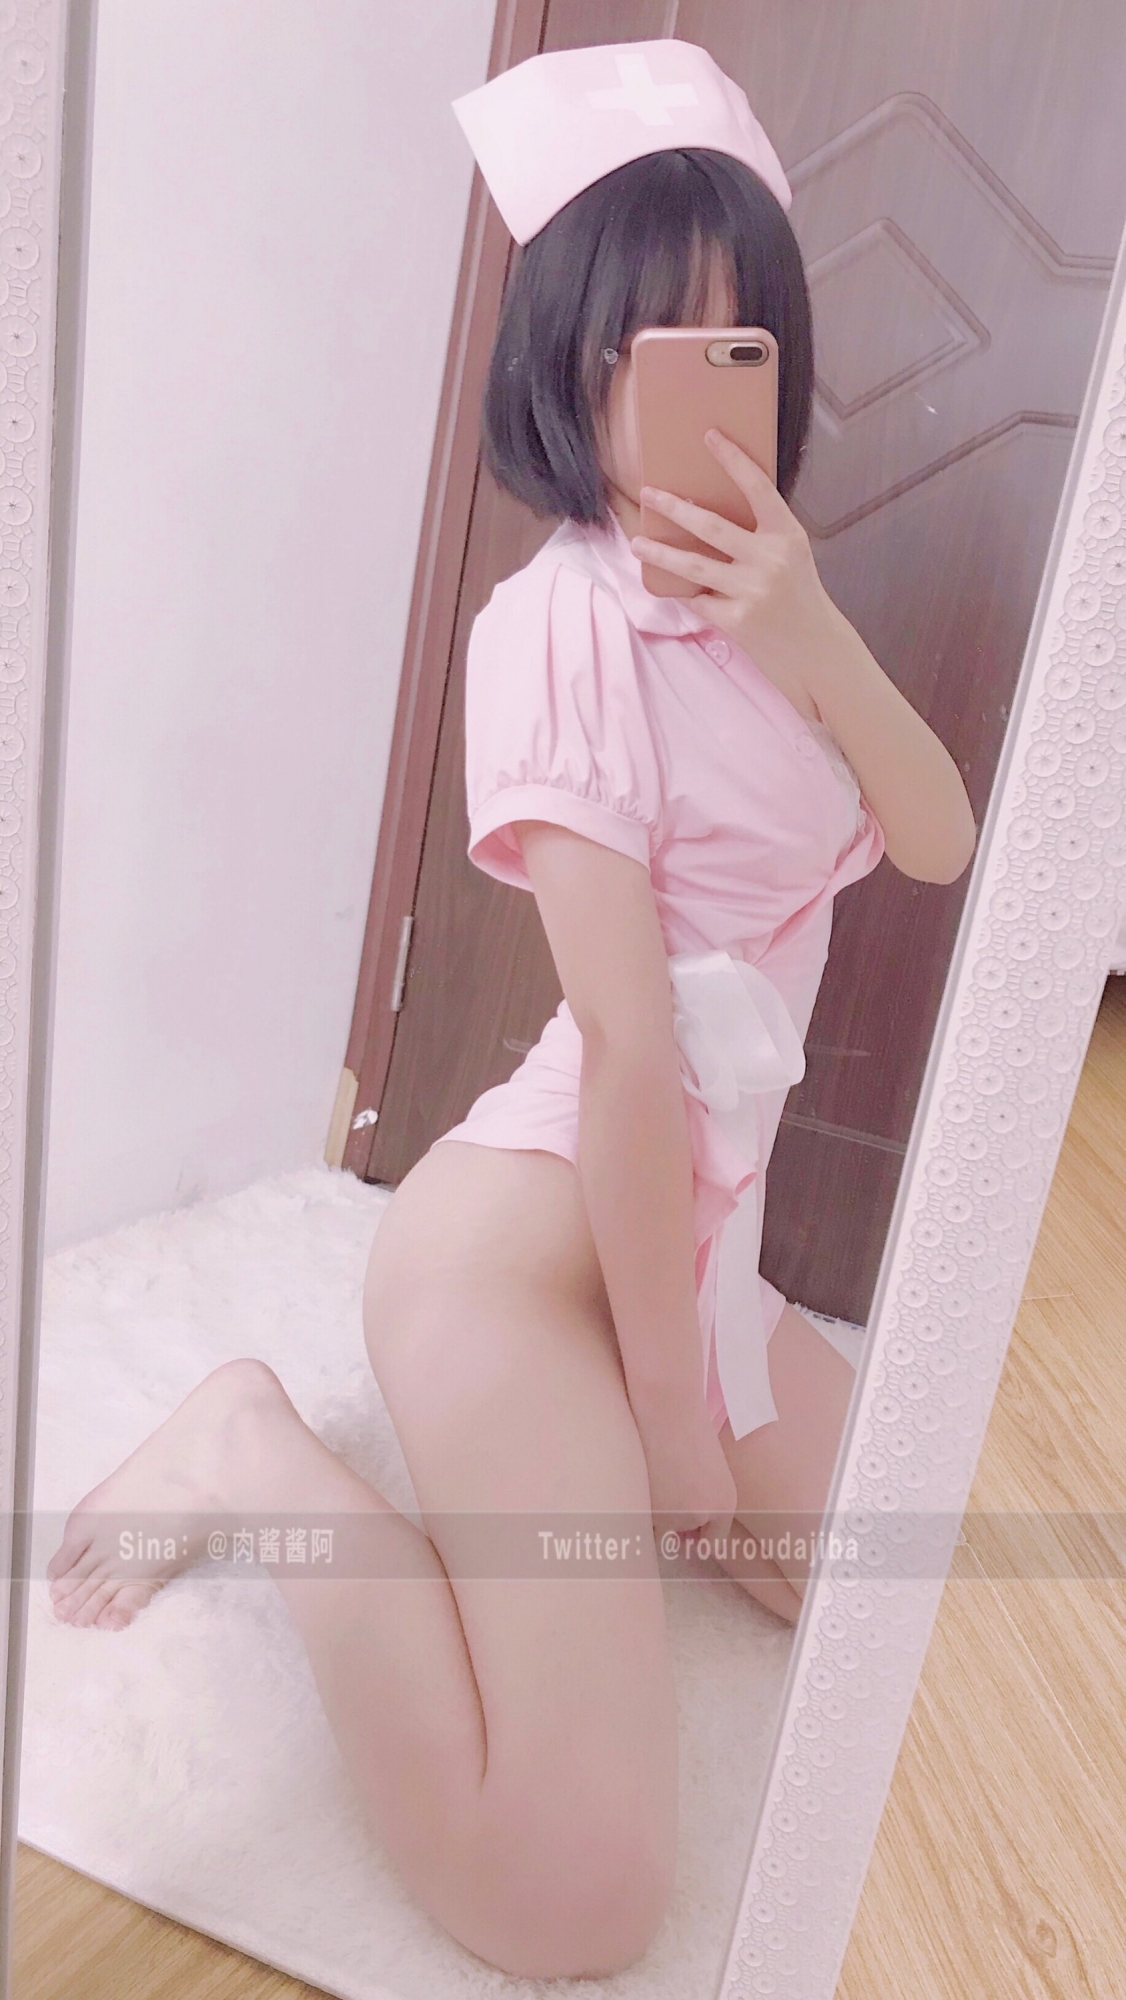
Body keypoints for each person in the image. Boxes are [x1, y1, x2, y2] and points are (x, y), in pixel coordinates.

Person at [45, 42, 976, 1981]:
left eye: (728, 346)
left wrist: (809, 630)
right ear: (565, 363)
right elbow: (630, 1058)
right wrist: (674, 1423)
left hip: (685, 1246)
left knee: (923, 1610)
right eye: (636, 347)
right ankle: (252, 1449)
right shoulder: (553, 631)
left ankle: (634, 1462)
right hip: (518, 1264)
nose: (678, 393)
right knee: (572, 1893)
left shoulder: (765, 604)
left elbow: (937, 834)